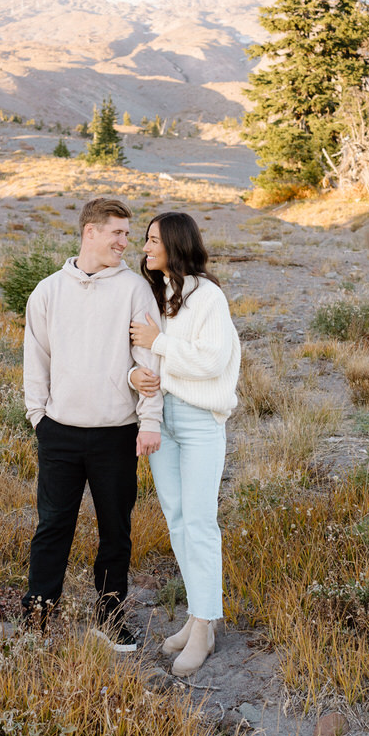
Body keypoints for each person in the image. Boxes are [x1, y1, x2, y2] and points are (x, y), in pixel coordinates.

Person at [21, 196, 163, 652]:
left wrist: (148, 421)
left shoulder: (134, 290)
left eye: (129, 233)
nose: (127, 242)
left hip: (116, 433)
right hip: (59, 431)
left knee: (115, 531)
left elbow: (149, 362)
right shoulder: (48, 291)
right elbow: (35, 359)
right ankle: (39, 616)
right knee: (52, 528)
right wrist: (38, 417)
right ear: (90, 233)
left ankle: (111, 619)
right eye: (118, 233)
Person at [128, 211, 240, 678]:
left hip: (197, 422)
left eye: (153, 239)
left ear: (175, 245)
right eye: (145, 239)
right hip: (163, 419)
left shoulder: (207, 297)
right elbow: (142, 356)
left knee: (199, 523)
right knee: (177, 520)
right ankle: (199, 618)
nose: (145, 247)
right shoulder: (158, 295)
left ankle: (203, 629)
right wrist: (137, 373)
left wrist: (162, 345)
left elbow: (212, 362)